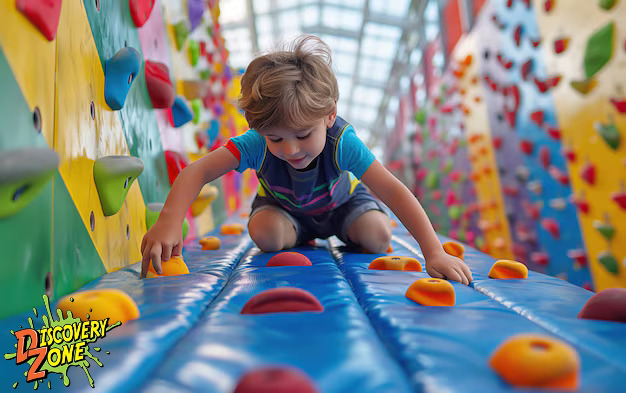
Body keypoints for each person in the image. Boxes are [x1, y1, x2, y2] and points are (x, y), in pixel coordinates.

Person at [140, 35, 472, 285]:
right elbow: (196, 172)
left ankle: (339, 230)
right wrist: (169, 222)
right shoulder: (256, 143)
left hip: (343, 206)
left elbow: (394, 191)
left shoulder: (342, 142)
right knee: (265, 235)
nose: (289, 149)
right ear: (260, 130)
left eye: (302, 135)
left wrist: (433, 251)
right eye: (276, 138)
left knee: (377, 237)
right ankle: (300, 234)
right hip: (285, 209)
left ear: (329, 115)